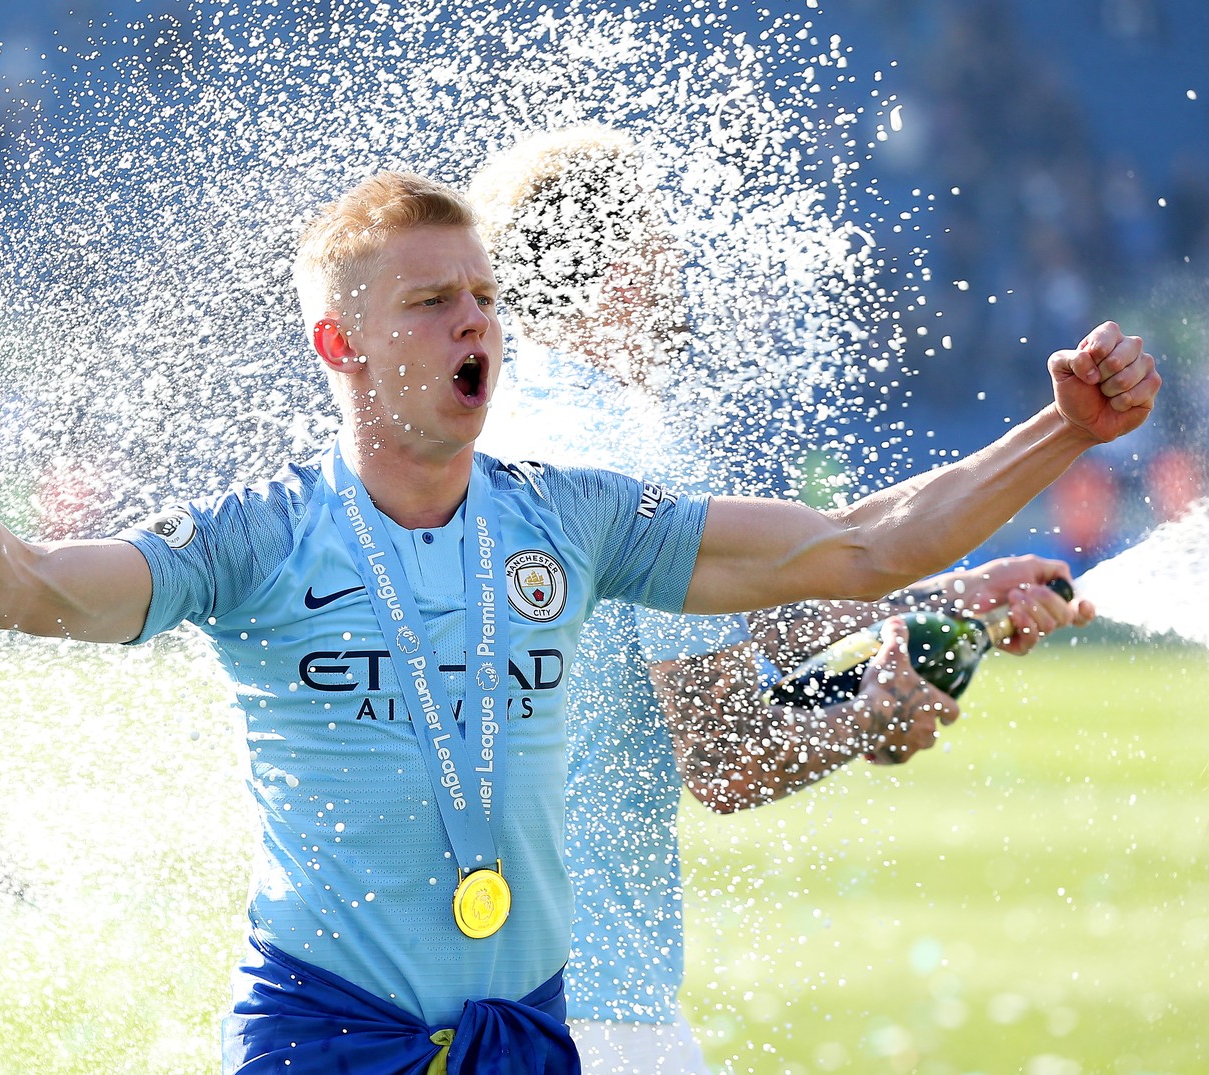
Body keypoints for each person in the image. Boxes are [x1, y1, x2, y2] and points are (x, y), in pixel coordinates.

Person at [0, 170, 1157, 1075]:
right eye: (432, 302)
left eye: (483, 295)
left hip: (533, 1035)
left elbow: (865, 544)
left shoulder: (574, 516)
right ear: (342, 341)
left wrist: (1066, 432)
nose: (475, 320)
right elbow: (20, 592)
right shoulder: (257, 538)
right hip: (327, 1036)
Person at [468, 126, 1097, 1071]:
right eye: (664, 256)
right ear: (627, 270)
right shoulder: (638, 459)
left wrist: (946, 595)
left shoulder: (459, 443)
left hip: (424, 1001)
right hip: (587, 1009)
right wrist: (871, 716)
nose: (674, 294)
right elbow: (723, 757)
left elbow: (691, 606)